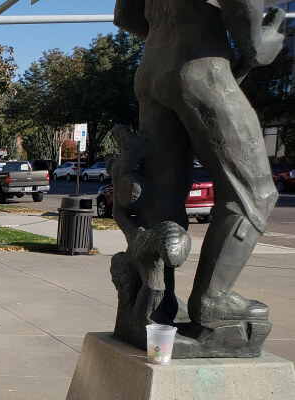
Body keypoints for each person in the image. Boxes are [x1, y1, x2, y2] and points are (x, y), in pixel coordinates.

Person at [114, 0, 281, 325]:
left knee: (161, 194)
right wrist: (262, 43)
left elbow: (125, 15)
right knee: (255, 192)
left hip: (152, 68)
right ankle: (214, 299)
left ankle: (157, 303)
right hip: (201, 65)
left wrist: (168, 30)